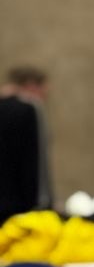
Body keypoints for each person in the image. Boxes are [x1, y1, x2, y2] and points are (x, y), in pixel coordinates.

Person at [0, 63, 50, 222]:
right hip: (18, 208)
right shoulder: (29, 108)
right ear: (31, 85)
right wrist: (43, 205)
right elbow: (36, 162)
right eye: (43, 90)